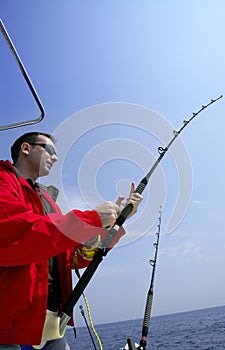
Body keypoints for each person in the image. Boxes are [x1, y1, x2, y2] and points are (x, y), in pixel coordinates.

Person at [0, 132, 143, 350]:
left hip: (51, 330)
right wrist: (91, 218)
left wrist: (111, 224)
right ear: (26, 149)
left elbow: (71, 257)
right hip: (10, 332)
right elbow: (15, 235)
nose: (55, 158)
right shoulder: (3, 180)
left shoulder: (48, 201)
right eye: (50, 150)